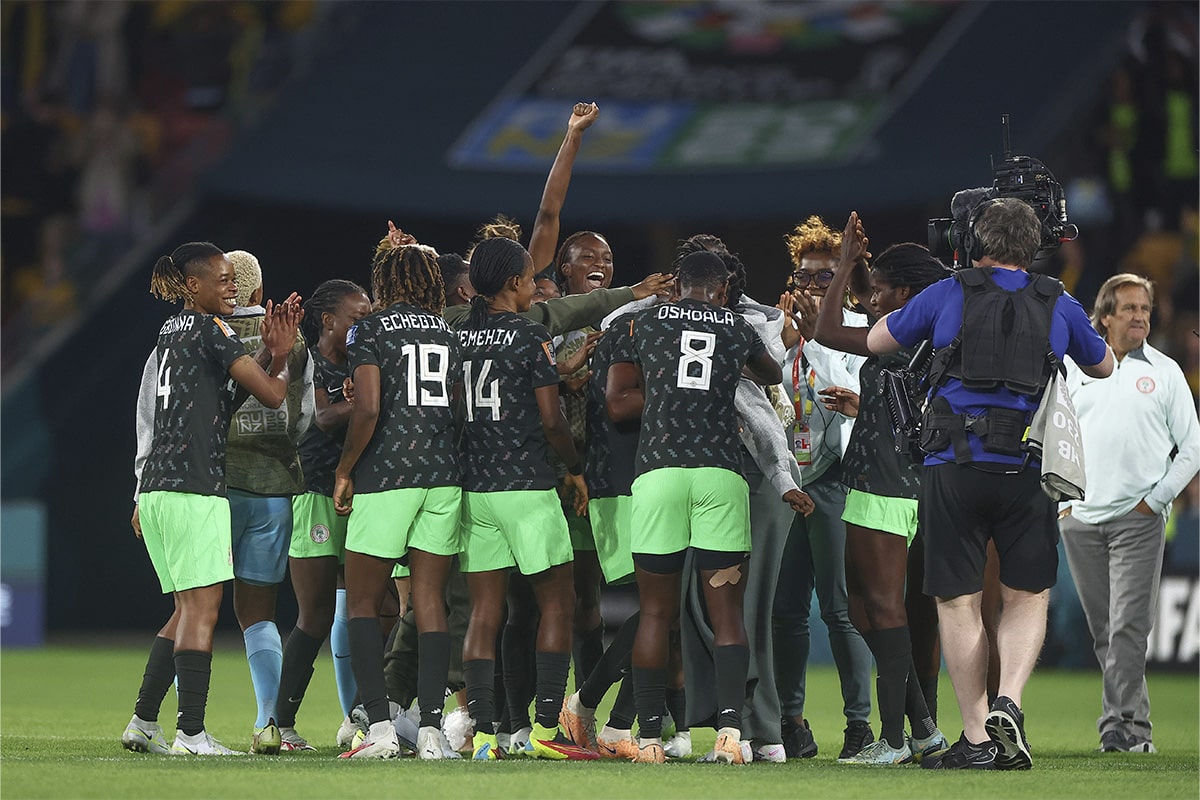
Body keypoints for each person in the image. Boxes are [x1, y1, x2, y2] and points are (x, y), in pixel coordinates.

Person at [865, 200, 1114, 769]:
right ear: (1035, 246)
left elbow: (880, 341)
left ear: (976, 241)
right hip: (1027, 467)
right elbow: (1103, 366)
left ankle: (977, 736)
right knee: (1027, 595)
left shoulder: (948, 291)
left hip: (952, 464)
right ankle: (1010, 701)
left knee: (959, 602)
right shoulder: (1057, 299)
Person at [607, 250, 803, 764]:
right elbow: (771, 373)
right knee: (727, 612)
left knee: (655, 611)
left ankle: (649, 738)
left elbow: (614, 357)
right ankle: (731, 734)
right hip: (720, 474)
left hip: (659, 473)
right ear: (722, 290)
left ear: (678, 284)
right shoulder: (736, 327)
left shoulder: (643, 323)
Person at [122, 242, 301, 756]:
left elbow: (226, 396)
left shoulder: (170, 333)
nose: (232, 288)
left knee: (184, 610)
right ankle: (192, 734)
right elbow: (271, 395)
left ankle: (143, 722)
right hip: (194, 487)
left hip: (158, 490)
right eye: (222, 280)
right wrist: (281, 356)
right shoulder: (212, 330)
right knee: (202, 610)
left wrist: (265, 357)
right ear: (192, 285)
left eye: (233, 279)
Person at [453, 236, 597, 761]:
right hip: (527, 486)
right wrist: (575, 469)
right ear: (514, 283)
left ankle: (483, 737)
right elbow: (552, 419)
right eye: (532, 278)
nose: (537, 286)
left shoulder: (458, 334)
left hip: (475, 488)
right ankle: (544, 729)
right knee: (558, 603)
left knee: (484, 613)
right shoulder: (529, 334)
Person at [671, 234, 812, 764]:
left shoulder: (756, 322)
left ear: (725, 285)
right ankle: (721, 726)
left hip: (759, 476)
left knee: (746, 609)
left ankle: (762, 732)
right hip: (702, 474)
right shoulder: (672, 320)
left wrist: (782, 478)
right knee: (696, 606)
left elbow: (762, 398)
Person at [814, 219, 950, 766]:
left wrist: (846, 264)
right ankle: (923, 729)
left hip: (884, 482)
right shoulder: (929, 328)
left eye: (880, 291)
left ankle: (893, 740)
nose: (870, 300)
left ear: (906, 295)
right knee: (866, 610)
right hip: (901, 481)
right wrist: (864, 266)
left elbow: (826, 330)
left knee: (883, 608)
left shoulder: (905, 333)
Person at [333, 242, 464, 760]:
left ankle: (382, 729)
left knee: (363, 603)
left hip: (387, 475)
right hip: (442, 476)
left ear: (384, 281)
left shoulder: (369, 329)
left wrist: (345, 469)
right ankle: (431, 731)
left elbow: (367, 409)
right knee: (430, 600)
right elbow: (456, 406)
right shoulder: (447, 332)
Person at [1060, 273, 1200, 754]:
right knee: (1106, 631)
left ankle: (1116, 728)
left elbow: (1193, 447)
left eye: (1145, 308)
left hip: (1137, 519)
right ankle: (1137, 730)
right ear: (1105, 317)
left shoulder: (1166, 372)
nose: (1140, 316)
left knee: (1128, 627)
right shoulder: (1073, 368)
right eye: (1130, 308)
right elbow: (1054, 434)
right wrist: (1062, 503)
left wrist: (1154, 502)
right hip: (1080, 519)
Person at [772, 215, 875, 761]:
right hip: (787, 481)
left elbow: (851, 395)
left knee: (841, 609)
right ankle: (791, 722)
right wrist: (783, 345)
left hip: (835, 479)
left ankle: (859, 727)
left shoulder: (859, 329)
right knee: (785, 611)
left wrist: (813, 340)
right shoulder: (776, 331)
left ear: (843, 278)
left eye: (824, 277)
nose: (811, 286)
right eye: (804, 276)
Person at [219, 250, 313, 755]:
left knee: (193, 608)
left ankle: (179, 722)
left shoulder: (207, 333)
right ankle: (270, 722)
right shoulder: (291, 337)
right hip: (275, 488)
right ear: (258, 291)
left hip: (215, 487)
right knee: (260, 614)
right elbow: (306, 414)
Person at [274, 279, 372, 751]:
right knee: (314, 614)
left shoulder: (362, 362)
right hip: (314, 492)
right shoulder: (308, 360)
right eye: (357, 318)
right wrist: (363, 401)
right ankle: (279, 725)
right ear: (329, 320)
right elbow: (323, 417)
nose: (364, 327)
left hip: (362, 496)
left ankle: (364, 717)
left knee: (374, 609)